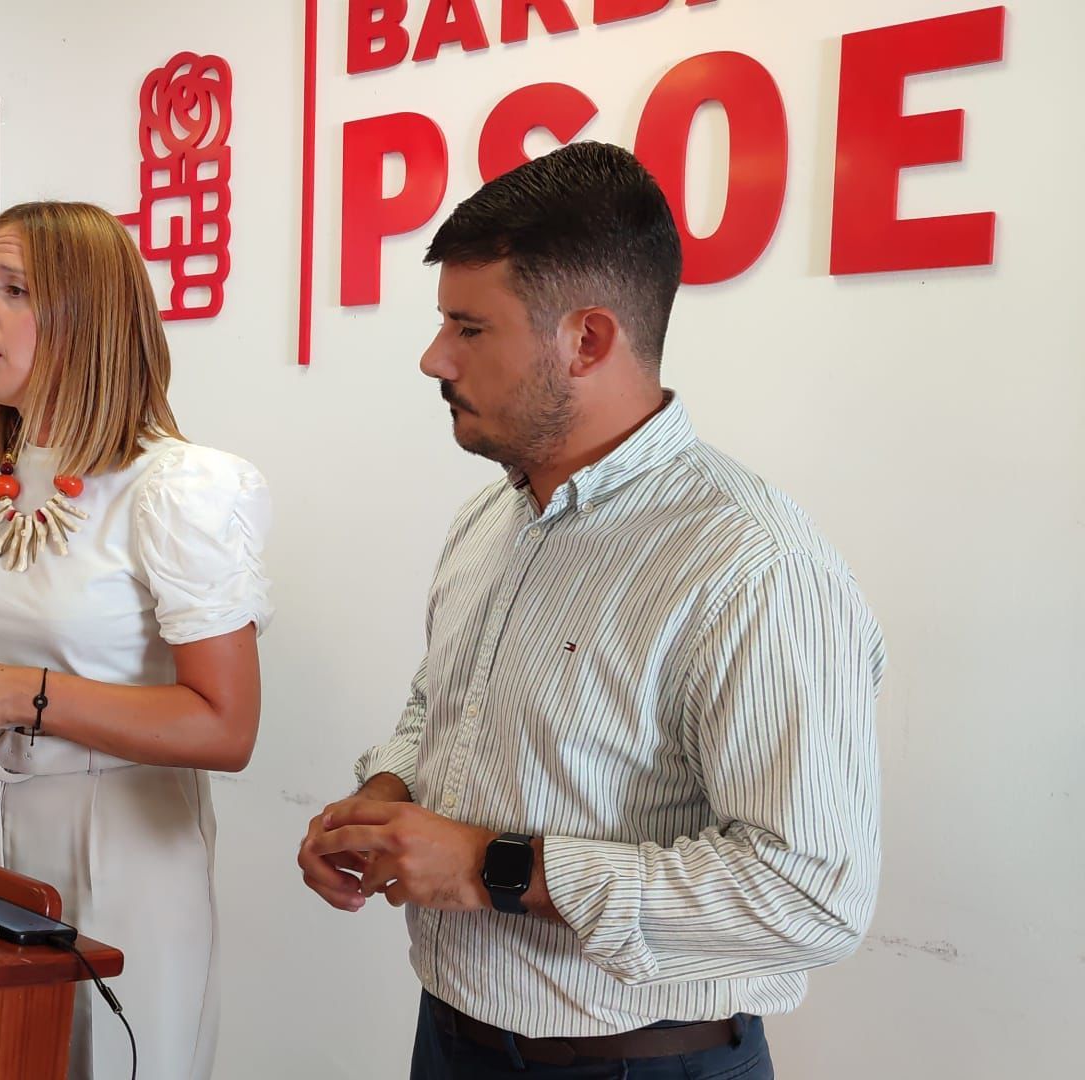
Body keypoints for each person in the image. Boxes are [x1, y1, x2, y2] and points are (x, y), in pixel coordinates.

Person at [296, 142, 884, 1078]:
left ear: (588, 340)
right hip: (452, 1038)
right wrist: (389, 794)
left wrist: (494, 867)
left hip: (641, 1062)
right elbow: (438, 710)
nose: (432, 358)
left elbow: (807, 896)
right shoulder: (492, 517)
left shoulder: (751, 564)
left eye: (469, 328)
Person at [0, 201, 272, 1080]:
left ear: (90, 318)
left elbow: (224, 727)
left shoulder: (177, 489)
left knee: (112, 1059)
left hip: (123, 844)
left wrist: (18, 693)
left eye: (12, 289)